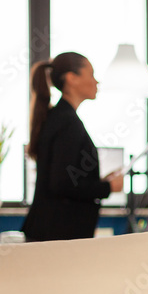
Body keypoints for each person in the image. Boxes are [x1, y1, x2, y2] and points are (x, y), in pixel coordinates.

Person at [23, 52, 124, 241]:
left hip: (52, 233)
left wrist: (99, 182)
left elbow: (65, 177)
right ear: (71, 78)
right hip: (57, 235)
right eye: (91, 74)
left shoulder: (59, 118)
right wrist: (107, 187)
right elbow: (61, 184)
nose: (96, 82)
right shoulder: (66, 122)